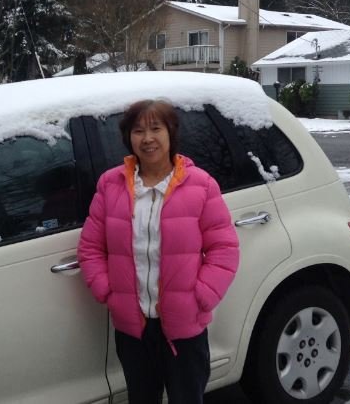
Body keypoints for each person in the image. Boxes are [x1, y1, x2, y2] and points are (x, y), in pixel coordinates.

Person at [77, 99, 240, 404]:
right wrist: (109, 293)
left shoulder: (201, 185)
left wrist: (201, 297)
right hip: (133, 328)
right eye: (138, 130)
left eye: (156, 128)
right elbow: (90, 247)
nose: (147, 138)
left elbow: (224, 248)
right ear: (128, 137)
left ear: (171, 132)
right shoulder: (110, 185)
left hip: (185, 327)